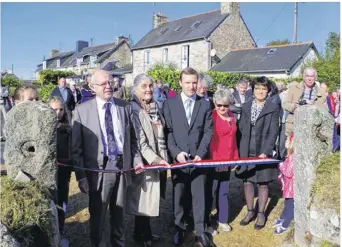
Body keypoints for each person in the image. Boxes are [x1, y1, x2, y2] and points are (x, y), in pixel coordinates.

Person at [72, 69, 143, 247]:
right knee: (98, 215)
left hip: (122, 167)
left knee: (119, 213)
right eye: (103, 83)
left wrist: (136, 160)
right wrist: (81, 176)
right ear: (92, 87)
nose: (108, 86)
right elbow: (76, 149)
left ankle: (119, 243)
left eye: (110, 82)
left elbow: (133, 139)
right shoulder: (81, 111)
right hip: (98, 171)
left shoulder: (125, 107)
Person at [163, 67, 215, 247]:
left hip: (199, 159)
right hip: (179, 160)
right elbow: (168, 132)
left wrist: (201, 153)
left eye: (194, 82)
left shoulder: (205, 103)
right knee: (179, 196)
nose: (191, 86)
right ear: (180, 83)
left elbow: (209, 131)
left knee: (199, 196)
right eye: (187, 83)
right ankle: (180, 228)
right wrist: (176, 153)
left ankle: (200, 232)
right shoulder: (169, 104)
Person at [126, 73, 170, 247]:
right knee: (143, 200)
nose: (148, 89)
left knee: (148, 199)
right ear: (135, 88)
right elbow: (139, 142)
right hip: (143, 162)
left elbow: (160, 129)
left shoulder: (153, 106)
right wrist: (156, 160)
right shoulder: (133, 109)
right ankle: (143, 236)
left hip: (155, 160)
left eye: (150, 86)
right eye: (144, 86)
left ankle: (144, 233)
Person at [236, 76, 280, 230]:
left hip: (263, 149)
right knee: (247, 180)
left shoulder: (273, 107)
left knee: (263, 182)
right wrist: (239, 150)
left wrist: (266, 151)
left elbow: (274, 131)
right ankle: (250, 211)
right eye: (257, 88)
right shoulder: (246, 106)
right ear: (252, 90)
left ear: (268, 91)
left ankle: (261, 213)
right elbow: (240, 128)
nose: (260, 91)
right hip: (247, 148)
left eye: (264, 88)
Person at [209, 88, 239, 232]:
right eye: (219, 105)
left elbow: (233, 139)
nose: (222, 108)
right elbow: (210, 141)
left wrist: (235, 158)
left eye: (225, 105)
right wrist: (217, 161)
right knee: (211, 191)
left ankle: (223, 219)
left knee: (224, 191)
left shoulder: (232, 116)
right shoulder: (212, 116)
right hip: (214, 161)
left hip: (228, 161)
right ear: (215, 104)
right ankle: (207, 222)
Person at [47, 96, 72, 247]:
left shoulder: (68, 129)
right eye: (54, 109)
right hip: (49, 174)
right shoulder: (43, 130)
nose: (58, 113)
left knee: (62, 203)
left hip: (63, 173)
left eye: (61, 109)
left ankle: (60, 231)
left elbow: (72, 151)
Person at [282, 67, 328, 137]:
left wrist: (313, 106)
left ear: (315, 77)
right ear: (303, 77)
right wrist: (294, 106)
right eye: (307, 76)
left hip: (312, 130)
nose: (309, 79)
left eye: (312, 76)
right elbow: (284, 104)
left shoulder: (321, 93)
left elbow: (325, 111)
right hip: (294, 128)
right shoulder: (293, 89)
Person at [274, 134, 294, 235]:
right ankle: (282, 218)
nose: (285, 141)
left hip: (291, 188)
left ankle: (285, 225)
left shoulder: (292, 157)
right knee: (287, 203)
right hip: (288, 186)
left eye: (287, 139)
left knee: (290, 207)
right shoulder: (289, 155)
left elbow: (289, 172)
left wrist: (281, 165)